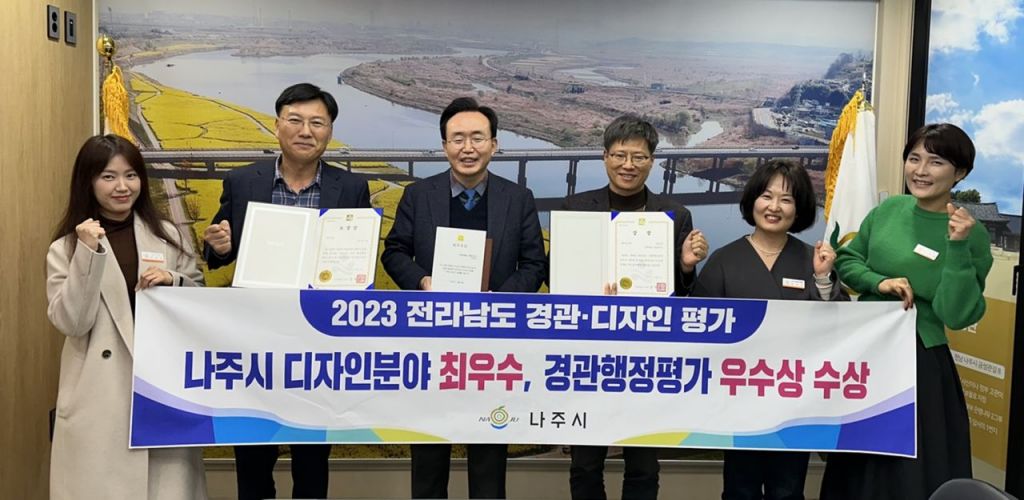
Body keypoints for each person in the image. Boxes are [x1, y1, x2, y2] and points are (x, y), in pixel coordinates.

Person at [202, 82, 371, 500]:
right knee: (253, 462)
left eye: (318, 123)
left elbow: (358, 264)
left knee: (312, 464)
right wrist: (218, 245)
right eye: (295, 120)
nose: (305, 131)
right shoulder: (243, 182)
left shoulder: (351, 189)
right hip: (255, 347)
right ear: (277, 125)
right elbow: (220, 250)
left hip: (318, 346)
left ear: (330, 132)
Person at [381, 96, 547, 498]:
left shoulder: (518, 198)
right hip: (433, 342)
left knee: (489, 455)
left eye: (477, 137)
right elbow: (395, 251)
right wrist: (422, 282)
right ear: (444, 146)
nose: (467, 148)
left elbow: (533, 264)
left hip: (494, 347)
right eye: (457, 139)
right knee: (429, 458)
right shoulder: (419, 195)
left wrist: (498, 302)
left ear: (494, 144)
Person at [820, 123, 992, 499]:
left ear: (960, 173)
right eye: (914, 159)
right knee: (857, 462)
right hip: (867, 351)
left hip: (920, 360)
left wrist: (958, 246)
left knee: (910, 472)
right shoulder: (889, 210)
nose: (921, 170)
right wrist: (879, 282)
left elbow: (957, 314)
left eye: (936, 162)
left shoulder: (972, 233)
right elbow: (847, 260)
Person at [46, 134, 207, 500]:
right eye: (108, 176)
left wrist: (174, 280)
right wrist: (87, 254)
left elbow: (200, 303)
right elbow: (72, 323)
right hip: (99, 395)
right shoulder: (65, 248)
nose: (122, 186)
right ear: (88, 182)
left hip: (161, 389)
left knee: (166, 488)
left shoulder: (167, 236)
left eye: (130, 175)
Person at [560, 114, 708, 500]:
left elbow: (683, 294)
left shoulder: (675, 215)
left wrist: (686, 266)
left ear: (652, 161)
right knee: (585, 463)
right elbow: (554, 273)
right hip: (589, 353)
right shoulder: (576, 207)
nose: (628, 165)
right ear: (605, 157)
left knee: (643, 465)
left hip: (647, 355)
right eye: (620, 155)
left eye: (639, 157)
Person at [693, 159, 845, 500]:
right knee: (740, 490)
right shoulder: (724, 260)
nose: (774, 207)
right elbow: (698, 328)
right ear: (752, 201)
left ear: (799, 209)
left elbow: (840, 327)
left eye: (786, 199)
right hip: (739, 399)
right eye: (767, 196)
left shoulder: (813, 260)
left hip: (795, 401)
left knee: (787, 491)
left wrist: (823, 278)